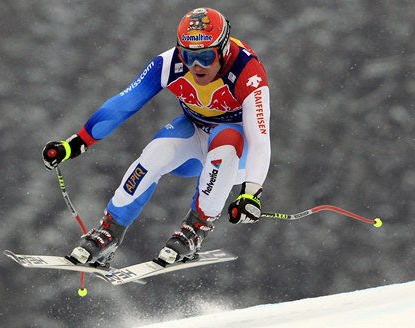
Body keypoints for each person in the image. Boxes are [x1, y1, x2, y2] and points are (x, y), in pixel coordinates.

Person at [42, 7, 271, 265]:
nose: (196, 66)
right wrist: (76, 143)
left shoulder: (247, 73)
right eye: (188, 56)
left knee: (227, 138)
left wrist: (251, 193)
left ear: (224, 49)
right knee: (154, 154)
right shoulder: (169, 63)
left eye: (206, 57)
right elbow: (124, 103)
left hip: (236, 154)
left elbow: (260, 139)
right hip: (194, 136)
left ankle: (196, 228)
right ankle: (110, 231)